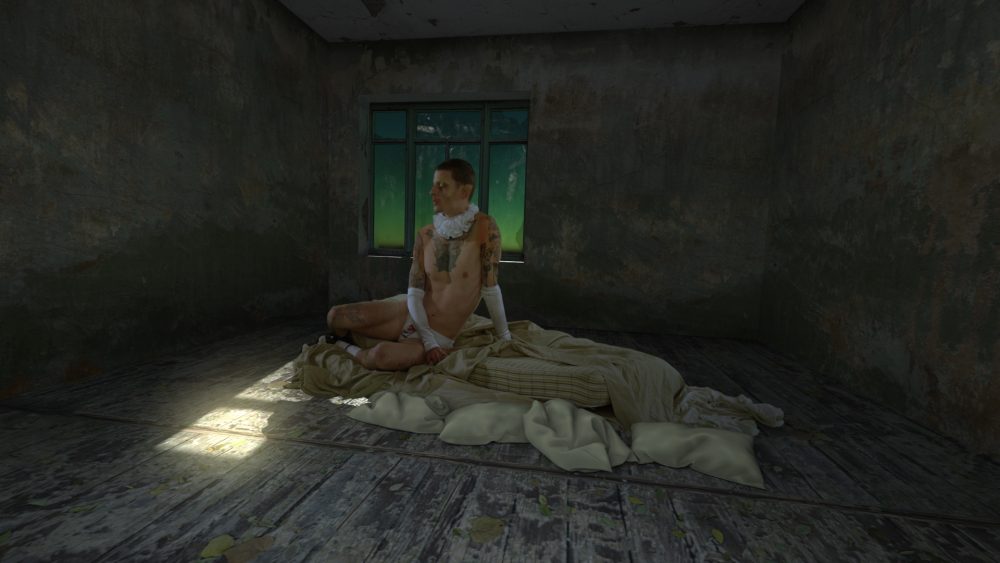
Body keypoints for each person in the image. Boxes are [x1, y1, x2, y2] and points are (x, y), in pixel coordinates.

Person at [325, 158, 512, 371]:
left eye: (442, 186)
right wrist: (427, 340)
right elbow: (414, 292)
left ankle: (341, 345)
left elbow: (490, 289)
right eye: (433, 185)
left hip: (440, 334)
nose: (432, 192)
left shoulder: (485, 227)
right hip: (407, 313)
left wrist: (505, 337)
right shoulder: (425, 234)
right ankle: (344, 337)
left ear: (464, 191)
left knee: (380, 356)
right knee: (335, 316)